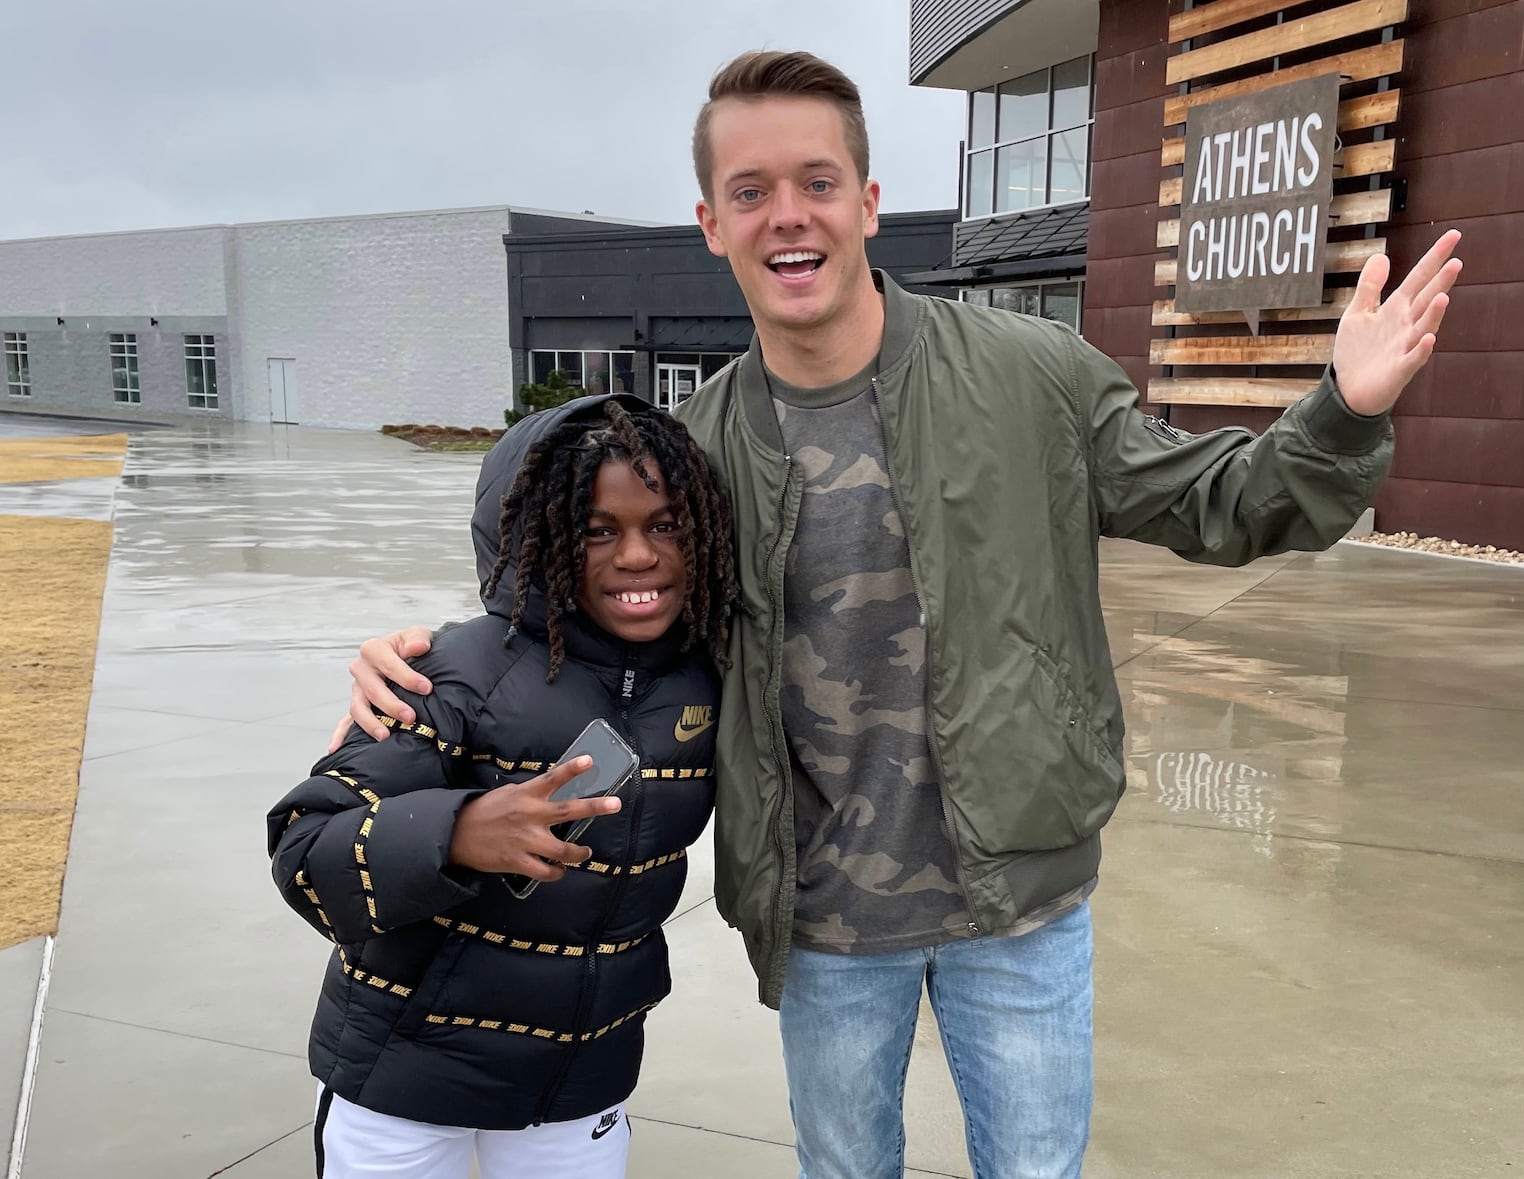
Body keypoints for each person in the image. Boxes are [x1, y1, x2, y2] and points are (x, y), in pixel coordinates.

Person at [336, 51, 1462, 1179]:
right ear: (710, 224)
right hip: (825, 918)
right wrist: (427, 664)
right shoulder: (701, 450)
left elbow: (1224, 506)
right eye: (752, 191)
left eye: (818, 182)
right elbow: (601, 616)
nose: (789, 216)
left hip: (1018, 898)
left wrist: (1341, 410)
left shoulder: (1032, 375)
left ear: (868, 203)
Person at [269, 395, 737, 1179]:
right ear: (531, 539)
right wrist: (455, 832)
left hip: (580, 1085)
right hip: (405, 1079)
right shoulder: (451, 671)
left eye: (664, 525)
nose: (637, 555)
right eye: (596, 530)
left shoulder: (713, 675)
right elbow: (304, 851)